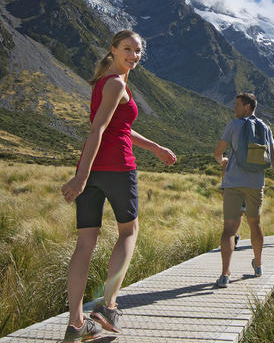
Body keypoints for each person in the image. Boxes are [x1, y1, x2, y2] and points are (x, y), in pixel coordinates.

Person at [61, 30, 177, 342]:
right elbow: (97, 130)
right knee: (129, 232)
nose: (133, 56)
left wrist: (154, 147)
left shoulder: (108, 82)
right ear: (113, 50)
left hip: (94, 169)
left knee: (85, 244)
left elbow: (119, 128)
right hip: (116, 169)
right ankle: (108, 306)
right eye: (127, 49)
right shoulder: (115, 83)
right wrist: (81, 178)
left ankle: (76, 325)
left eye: (138, 51)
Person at [213, 93, 274, 288]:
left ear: (246, 106)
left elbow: (218, 152)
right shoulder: (266, 127)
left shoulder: (234, 125)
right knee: (256, 224)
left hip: (233, 183)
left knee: (229, 230)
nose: (234, 108)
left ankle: (225, 274)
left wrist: (222, 161)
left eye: (237, 105)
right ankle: (258, 266)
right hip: (256, 183)